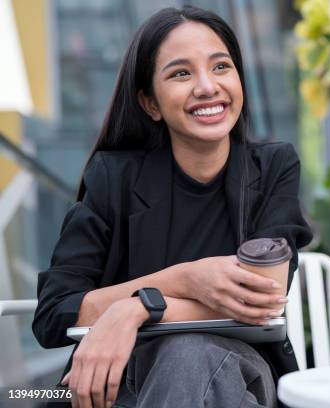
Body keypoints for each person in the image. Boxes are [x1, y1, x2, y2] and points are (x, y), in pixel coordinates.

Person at [32, 6, 312, 408]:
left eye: (221, 67)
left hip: (238, 372)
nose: (206, 86)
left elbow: (259, 300)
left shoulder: (272, 167)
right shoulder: (114, 176)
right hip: (123, 380)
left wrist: (136, 310)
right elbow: (55, 314)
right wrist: (184, 279)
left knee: (188, 355)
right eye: (181, 73)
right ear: (150, 104)